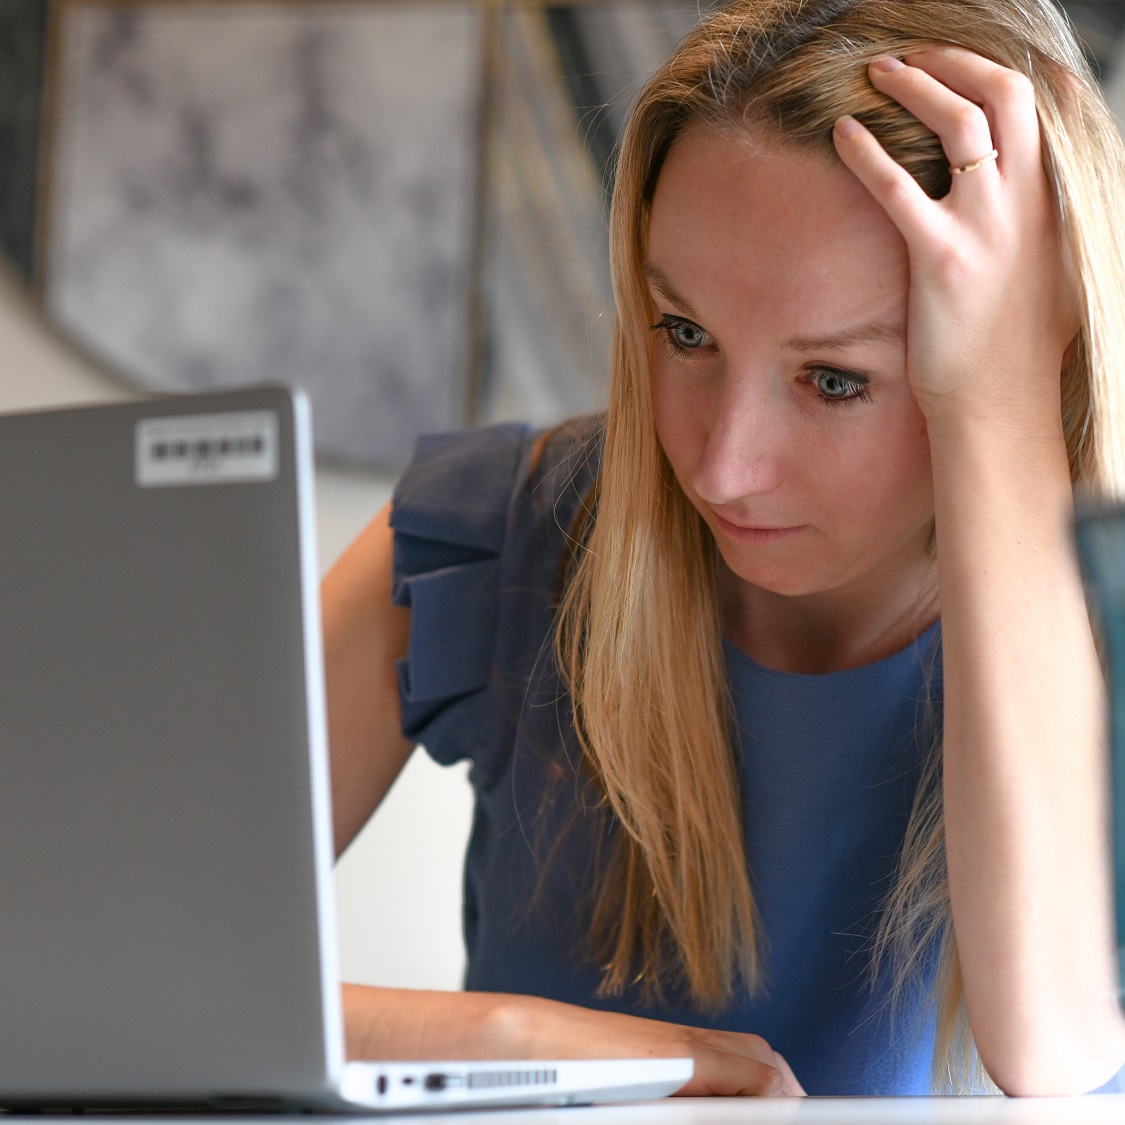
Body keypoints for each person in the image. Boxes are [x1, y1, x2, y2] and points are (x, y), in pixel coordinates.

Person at [322, 0, 1125, 1097]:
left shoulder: (1106, 604)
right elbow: (104, 970)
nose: (721, 466)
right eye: (686, 332)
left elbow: (1049, 1046)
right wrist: (519, 1040)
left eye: (834, 378)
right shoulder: (496, 530)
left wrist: (999, 406)